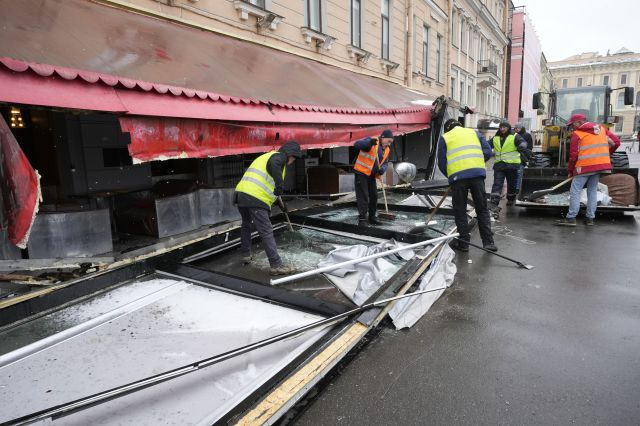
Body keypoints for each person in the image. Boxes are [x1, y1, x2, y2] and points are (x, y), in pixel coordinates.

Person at [234, 141, 302, 275]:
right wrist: (280, 184)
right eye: (295, 158)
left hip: (241, 194)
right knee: (266, 230)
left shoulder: (264, 157)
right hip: (255, 198)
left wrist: (282, 205)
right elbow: (274, 165)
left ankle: (246, 254)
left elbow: (269, 186)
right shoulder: (279, 157)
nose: (293, 161)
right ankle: (276, 265)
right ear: (291, 154)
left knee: (246, 225)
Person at [437, 119, 497, 252]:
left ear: (447, 129)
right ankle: (488, 243)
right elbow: (487, 152)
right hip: (477, 175)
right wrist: (475, 163)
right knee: (482, 209)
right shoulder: (474, 133)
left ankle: (463, 244)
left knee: (460, 210)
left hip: (458, 178)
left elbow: (441, 162)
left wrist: (451, 176)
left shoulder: (445, 137)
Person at [555, 114, 620, 226]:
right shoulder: (601, 129)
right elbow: (616, 142)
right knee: (592, 191)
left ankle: (571, 218)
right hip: (600, 166)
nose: (572, 127)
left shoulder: (578, 134)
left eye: (573, 124)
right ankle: (590, 218)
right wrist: (606, 154)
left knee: (575, 191)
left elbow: (573, 155)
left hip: (584, 167)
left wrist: (570, 171)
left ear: (579, 122)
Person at [353, 129, 393, 226]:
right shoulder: (373, 141)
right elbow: (356, 144)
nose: (389, 144)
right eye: (388, 141)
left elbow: (385, 163)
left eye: (391, 142)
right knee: (363, 196)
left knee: (374, 196)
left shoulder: (387, 150)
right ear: (383, 138)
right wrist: (369, 143)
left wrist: (382, 170)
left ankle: (372, 217)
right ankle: (362, 219)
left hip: (371, 175)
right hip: (362, 172)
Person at [489, 121, 528, 210]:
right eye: (501, 127)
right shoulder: (496, 137)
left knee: (512, 184)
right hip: (499, 165)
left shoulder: (514, 136)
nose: (502, 129)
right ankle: (494, 203)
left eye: (504, 127)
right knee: (497, 184)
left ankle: (510, 198)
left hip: (512, 166)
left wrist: (522, 145)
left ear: (509, 128)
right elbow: (488, 145)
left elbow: (523, 142)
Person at [514, 122, 533, 192]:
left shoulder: (527, 135)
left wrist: (527, 156)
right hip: (513, 158)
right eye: (515, 128)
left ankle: (517, 188)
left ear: (521, 128)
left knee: (519, 173)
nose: (516, 129)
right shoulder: (513, 135)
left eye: (517, 128)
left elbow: (530, 147)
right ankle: (515, 188)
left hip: (522, 157)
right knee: (514, 174)